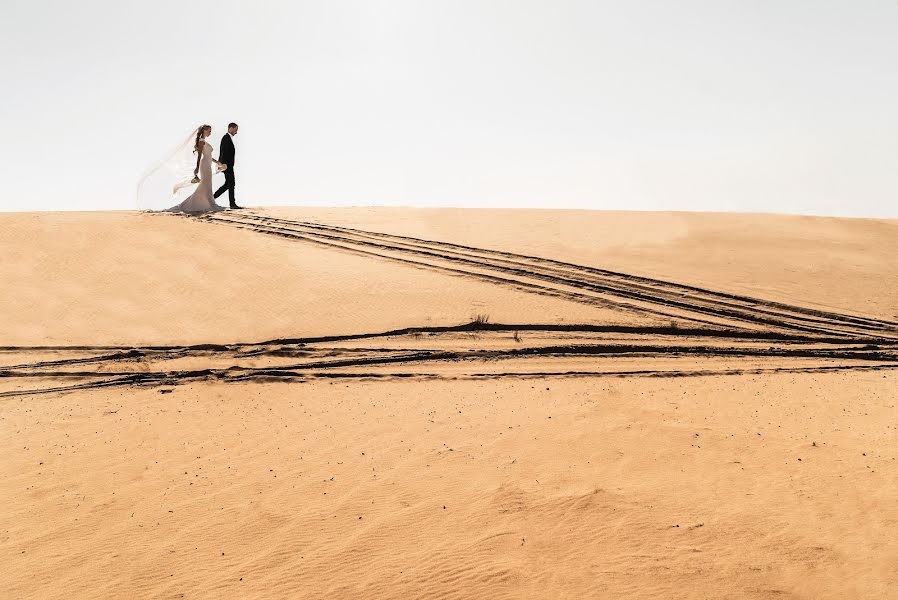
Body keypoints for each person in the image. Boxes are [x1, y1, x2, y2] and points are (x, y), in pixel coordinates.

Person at [165, 125, 227, 213]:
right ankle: (208, 204)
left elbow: (209, 156)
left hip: (208, 164)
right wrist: (197, 168)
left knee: (208, 184)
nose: (210, 133)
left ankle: (208, 203)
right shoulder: (201, 141)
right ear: (204, 130)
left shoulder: (204, 141)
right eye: (209, 131)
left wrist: (217, 162)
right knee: (205, 183)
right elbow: (200, 155)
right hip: (204, 164)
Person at [214, 122, 242, 209]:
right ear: (231, 128)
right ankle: (232, 204)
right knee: (231, 183)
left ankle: (213, 197)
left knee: (228, 184)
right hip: (227, 166)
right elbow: (223, 152)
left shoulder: (228, 138)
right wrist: (223, 164)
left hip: (228, 166)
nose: (236, 132)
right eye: (235, 130)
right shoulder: (226, 138)